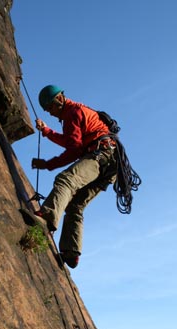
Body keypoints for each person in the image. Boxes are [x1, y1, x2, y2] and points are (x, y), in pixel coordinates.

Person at [27, 85, 118, 269]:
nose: (50, 114)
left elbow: (74, 150)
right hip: (112, 165)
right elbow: (72, 142)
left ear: (59, 100)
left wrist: (48, 164)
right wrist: (47, 132)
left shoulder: (72, 113)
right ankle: (71, 252)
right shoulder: (75, 112)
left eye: (50, 108)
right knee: (75, 205)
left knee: (65, 180)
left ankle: (47, 217)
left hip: (100, 156)